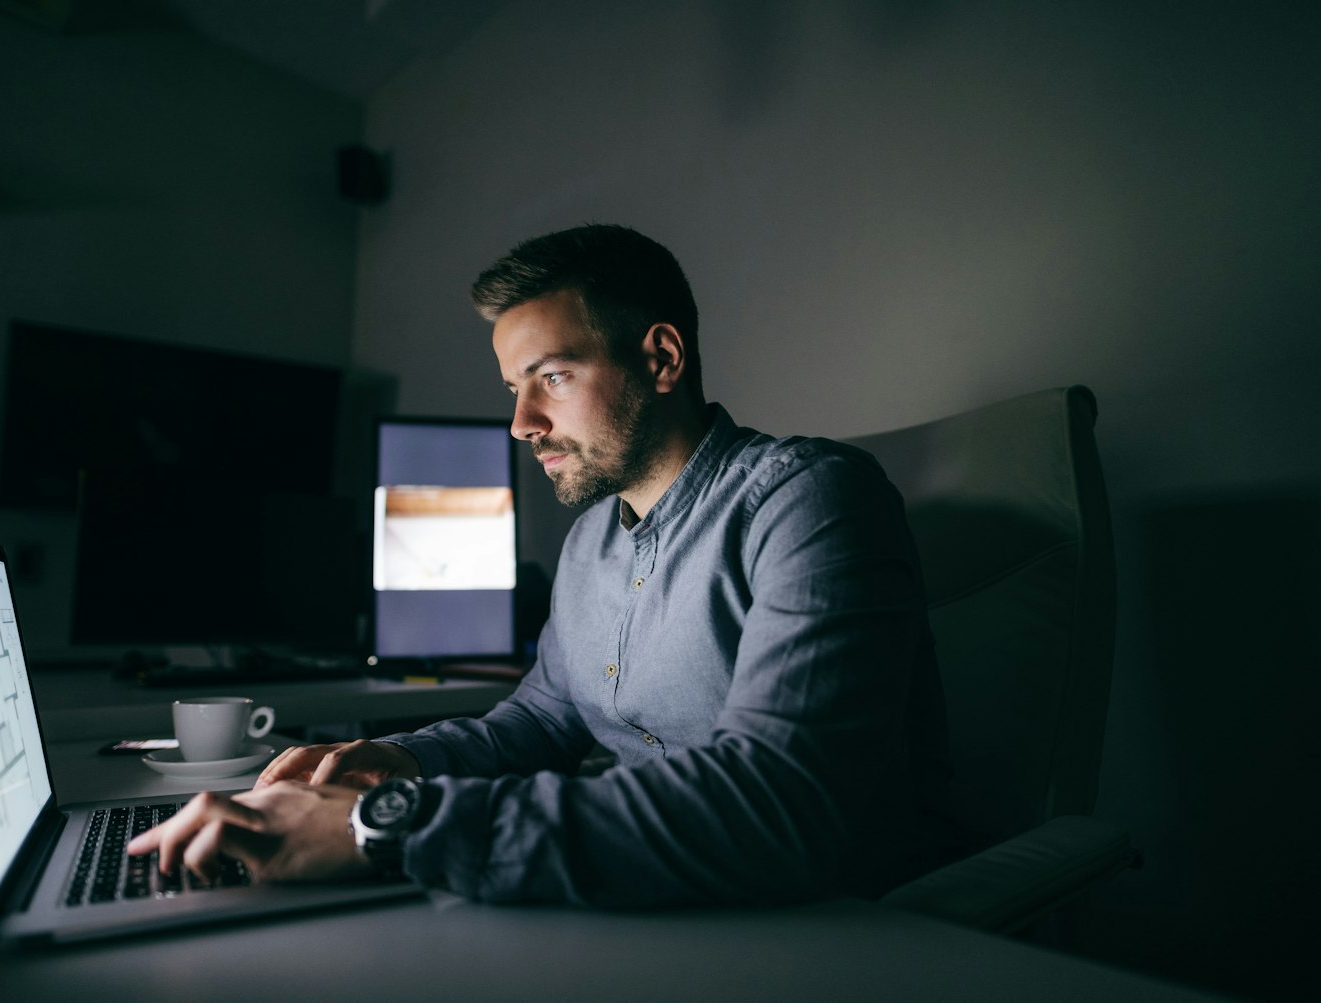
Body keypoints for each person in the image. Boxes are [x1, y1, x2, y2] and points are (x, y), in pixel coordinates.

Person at [128, 224, 953, 907]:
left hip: (820, 927)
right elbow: (542, 721)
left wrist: (392, 822)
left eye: (551, 377)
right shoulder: (592, 539)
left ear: (662, 359)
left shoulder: (810, 499)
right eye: (514, 387)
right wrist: (405, 761)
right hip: (649, 904)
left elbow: (780, 806)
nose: (522, 423)